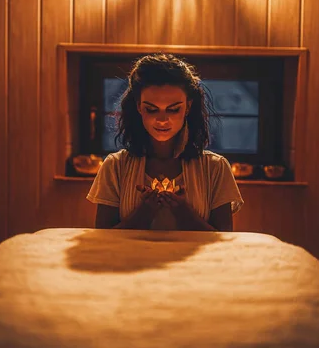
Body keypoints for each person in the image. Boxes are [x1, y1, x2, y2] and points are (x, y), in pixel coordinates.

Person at [86, 53, 243, 231]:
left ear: (188, 107)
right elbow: (102, 240)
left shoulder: (215, 168)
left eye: (173, 109)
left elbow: (226, 243)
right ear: (139, 107)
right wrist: (144, 212)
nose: (162, 120)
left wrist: (184, 212)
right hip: (131, 259)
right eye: (151, 110)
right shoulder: (115, 167)